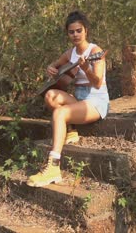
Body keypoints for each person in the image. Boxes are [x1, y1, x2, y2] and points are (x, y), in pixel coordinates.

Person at [27, 10, 110, 187]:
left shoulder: (96, 52)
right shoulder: (69, 53)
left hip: (95, 102)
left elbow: (97, 83)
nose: (75, 35)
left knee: (59, 113)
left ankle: (53, 167)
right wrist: (50, 68)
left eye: (79, 30)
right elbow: (53, 66)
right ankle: (71, 131)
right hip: (79, 100)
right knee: (50, 95)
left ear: (86, 30)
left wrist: (87, 68)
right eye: (71, 32)